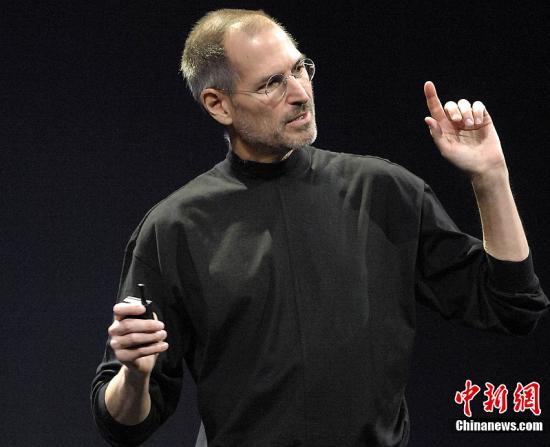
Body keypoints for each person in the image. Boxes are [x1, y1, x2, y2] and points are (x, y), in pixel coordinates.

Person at [91, 8, 549, 447]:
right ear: (218, 104)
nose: (300, 93)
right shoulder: (174, 228)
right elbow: (123, 425)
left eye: (299, 69)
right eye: (272, 83)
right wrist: (134, 376)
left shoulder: (382, 191)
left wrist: (491, 178)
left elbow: (511, 306)